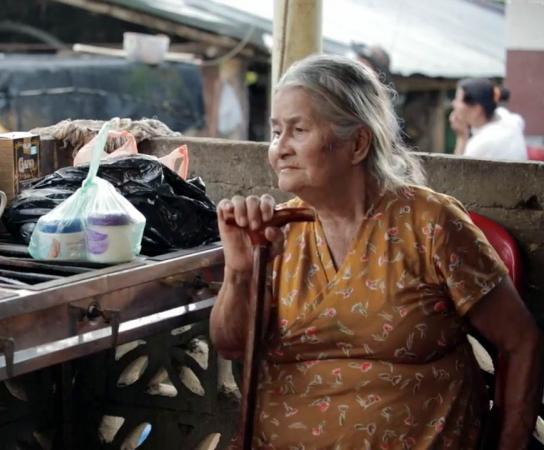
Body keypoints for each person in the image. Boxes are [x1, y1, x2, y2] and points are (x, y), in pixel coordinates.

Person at [211, 54, 542, 449]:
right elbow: (231, 345)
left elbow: (522, 341)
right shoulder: (274, 233)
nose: (279, 149)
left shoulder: (428, 224)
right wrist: (240, 271)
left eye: (298, 130)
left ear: (357, 144)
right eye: (276, 131)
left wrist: (511, 443)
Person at [449, 78, 527, 161]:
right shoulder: (508, 118)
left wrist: (462, 137)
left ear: (476, 109)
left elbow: (458, 171)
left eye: (458, 100)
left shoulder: (482, 143)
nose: (453, 104)